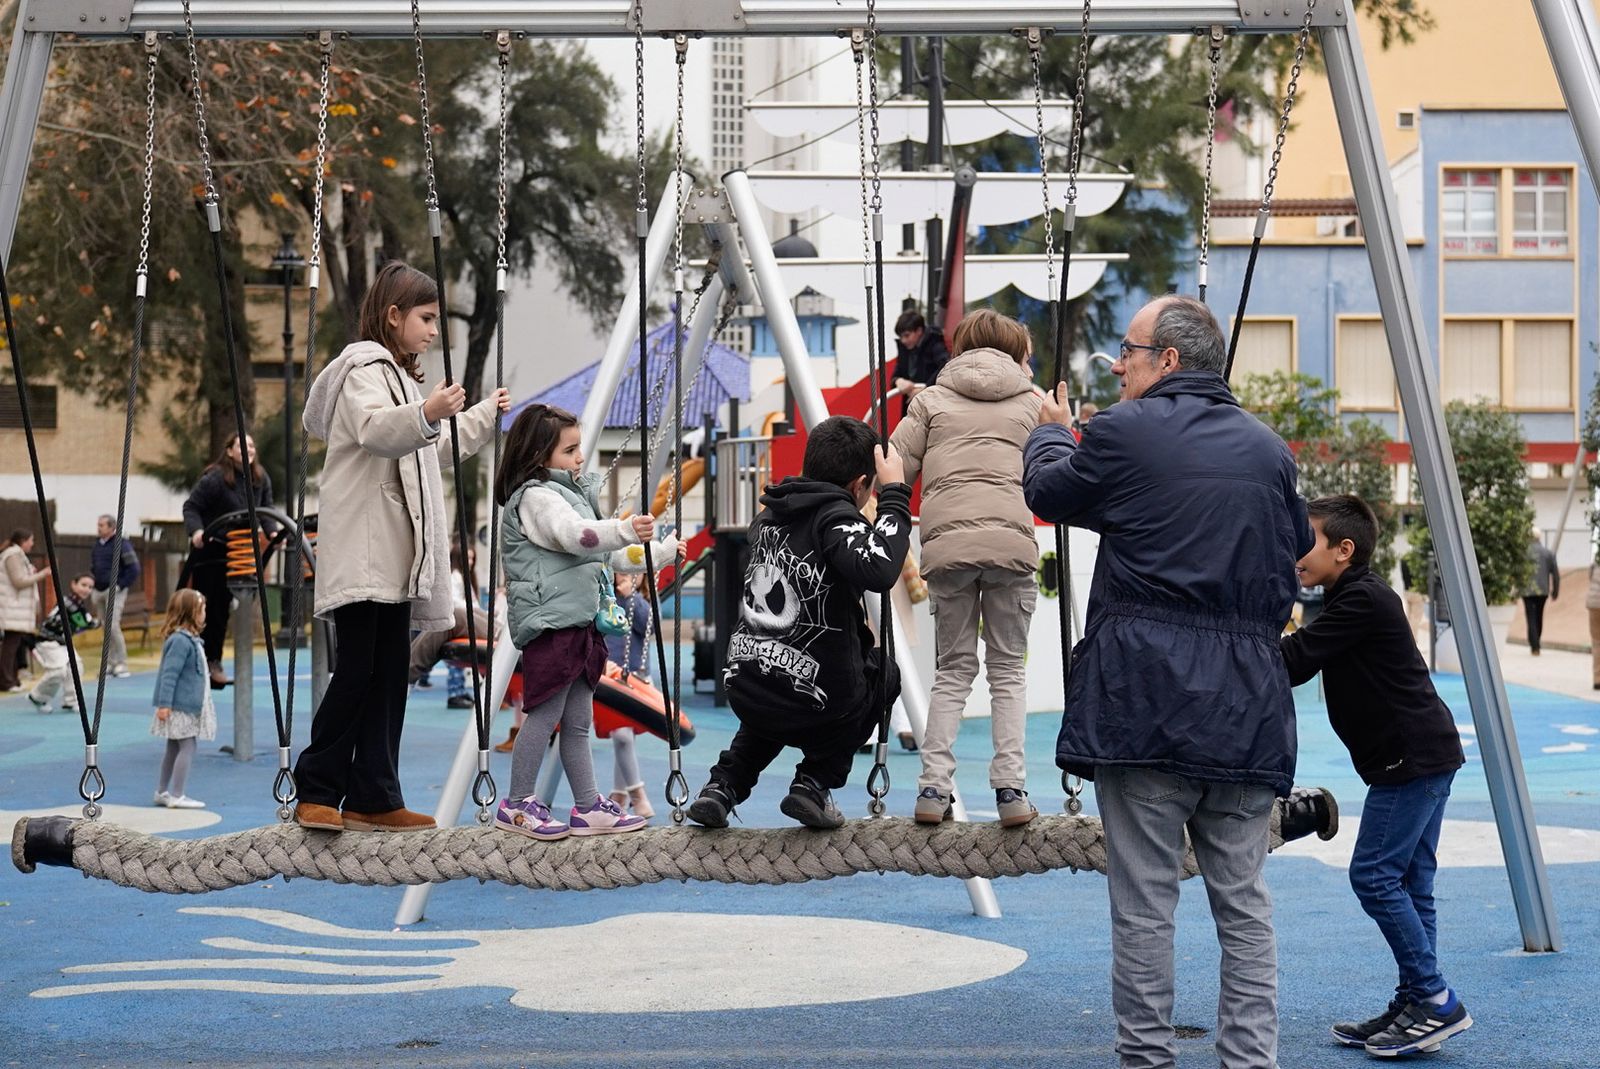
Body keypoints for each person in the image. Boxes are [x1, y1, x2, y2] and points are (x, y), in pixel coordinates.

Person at [1022, 295, 1312, 1069]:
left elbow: (1050, 493)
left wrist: (1051, 430)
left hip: (1144, 700)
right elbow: (1301, 541)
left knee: (1146, 903)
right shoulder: (1269, 450)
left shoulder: (1120, 433)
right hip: (1247, 703)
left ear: (1168, 362)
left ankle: (1147, 1058)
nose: (1118, 364)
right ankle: (1251, 1059)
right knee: (1244, 903)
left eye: (1129, 349)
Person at [292, 260, 509, 834]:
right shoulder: (363, 369)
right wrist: (426, 412)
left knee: (389, 673)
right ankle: (316, 785)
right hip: (366, 552)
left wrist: (482, 416)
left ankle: (374, 794)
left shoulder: (402, 381)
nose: (435, 330)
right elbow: (376, 430)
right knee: (358, 669)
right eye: (426, 318)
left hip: (392, 558)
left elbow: (426, 447)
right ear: (393, 316)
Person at [1280, 494, 1472, 1057]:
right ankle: (1418, 1002)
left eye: (1304, 538)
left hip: (1409, 761)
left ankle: (1436, 1000)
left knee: (1374, 876)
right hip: (1424, 755)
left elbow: (1292, 663)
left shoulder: (1360, 600)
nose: (1295, 551)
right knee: (1413, 885)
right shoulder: (1352, 596)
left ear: (1344, 550)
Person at [686, 416, 911, 831]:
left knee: (770, 700)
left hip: (746, 684)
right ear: (860, 485)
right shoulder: (836, 518)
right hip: (819, 701)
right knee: (886, 675)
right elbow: (879, 570)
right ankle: (814, 781)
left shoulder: (768, 516)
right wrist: (895, 495)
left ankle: (722, 786)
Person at [492, 402, 680, 841]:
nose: (581, 458)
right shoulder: (538, 498)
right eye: (571, 450)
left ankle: (588, 805)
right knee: (544, 714)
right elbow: (579, 537)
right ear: (541, 457)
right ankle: (517, 803)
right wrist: (627, 526)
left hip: (577, 624)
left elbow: (610, 554)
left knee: (577, 721)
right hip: (552, 624)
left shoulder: (567, 496)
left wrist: (663, 553)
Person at [888, 308, 1042, 828]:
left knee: (952, 670)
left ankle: (933, 787)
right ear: (1018, 352)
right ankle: (1011, 790)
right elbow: (1061, 468)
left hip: (947, 550)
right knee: (1007, 672)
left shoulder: (929, 400)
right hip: (1011, 547)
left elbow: (895, 468)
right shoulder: (1034, 403)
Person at [181, 434, 274, 689]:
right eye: (242, 445)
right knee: (204, 607)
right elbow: (191, 507)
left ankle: (213, 661)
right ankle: (196, 660)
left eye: (253, 445)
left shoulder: (259, 478)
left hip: (239, 553)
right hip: (213, 550)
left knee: (222, 608)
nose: (249, 449)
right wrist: (197, 532)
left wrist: (273, 532)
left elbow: (266, 509)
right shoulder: (215, 478)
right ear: (230, 451)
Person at [150, 589, 216, 810]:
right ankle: (177, 794)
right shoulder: (181, 641)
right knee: (188, 746)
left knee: (173, 747)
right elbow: (170, 674)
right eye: (202, 609)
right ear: (191, 612)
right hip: (180, 706)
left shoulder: (190, 640)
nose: (205, 612)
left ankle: (162, 791)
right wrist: (165, 703)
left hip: (182, 705)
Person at [407, 545, 489, 710]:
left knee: (454, 617)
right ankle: (407, 674)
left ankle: (405, 675)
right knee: (453, 617)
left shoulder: (465, 579)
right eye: (468, 558)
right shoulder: (456, 577)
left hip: (507, 631)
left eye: (473, 558)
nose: (471, 562)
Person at [605, 571, 656, 817]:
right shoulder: (604, 596)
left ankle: (619, 794)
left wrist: (632, 597)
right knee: (621, 735)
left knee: (624, 737)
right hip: (608, 674)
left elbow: (649, 628)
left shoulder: (641, 599)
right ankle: (637, 794)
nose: (624, 573)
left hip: (635, 675)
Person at [27, 572, 98, 714]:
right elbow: (84, 622)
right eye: (83, 585)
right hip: (48, 641)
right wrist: (97, 622)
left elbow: (84, 621)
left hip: (62, 642)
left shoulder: (78, 603)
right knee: (58, 671)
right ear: (73, 584)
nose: (86, 589)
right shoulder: (69, 602)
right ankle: (38, 697)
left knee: (76, 666)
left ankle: (71, 701)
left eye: (90, 587)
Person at [89, 514, 141, 679]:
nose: (99, 528)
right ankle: (110, 664)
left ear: (112, 528)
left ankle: (122, 663)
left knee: (113, 626)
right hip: (99, 590)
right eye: (98, 525)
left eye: (102, 525)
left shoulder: (122, 544)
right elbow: (95, 566)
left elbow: (134, 568)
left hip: (115, 590)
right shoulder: (97, 545)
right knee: (105, 629)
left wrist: (120, 585)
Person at [0, 529, 50, 693]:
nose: (32, 544)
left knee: (14, 644)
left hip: (16, 608)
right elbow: (19, 581)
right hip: (12, 607)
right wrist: (42, 574)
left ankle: (12, 679)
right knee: (10, 645)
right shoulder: (13, 555)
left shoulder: (16, 555)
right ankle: (6, 681)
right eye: (31, 540)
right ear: (23, 541)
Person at [892, 310, 950, 404]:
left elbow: (946, 366)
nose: (903, 340)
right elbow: (897, 372)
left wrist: (926, 388)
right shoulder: (905, 348)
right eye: (901, 337)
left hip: (932, 403)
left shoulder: (934, 343)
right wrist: (898, 381)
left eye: (907, 335)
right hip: (912, 403)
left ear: (919, 331)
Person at [1522, 527, 1559, 656]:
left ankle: (1534, 645)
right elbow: (1555, 574)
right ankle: (1536, 641)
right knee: (1539, 616)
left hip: (1527, 590)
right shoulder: (1548, 553)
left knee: (1530, 616)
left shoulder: (1523, 553)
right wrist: (1555, 591)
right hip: (1543, 590)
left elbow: (1518, 573)